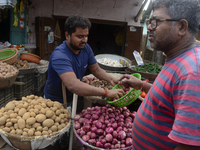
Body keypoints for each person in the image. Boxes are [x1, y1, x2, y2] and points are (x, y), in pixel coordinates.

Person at [120, 0, 200, 149]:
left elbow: (189, 146)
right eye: (149, 22)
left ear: (181, 27)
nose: (149, 27)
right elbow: (168, 97)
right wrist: (141, 85)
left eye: (155, 22)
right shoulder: (176, 59)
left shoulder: (192, 72)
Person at [44, 14, 124, 106]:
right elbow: (73, 85)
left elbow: (96, 69)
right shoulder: (60, 55)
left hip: (73, 96)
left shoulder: (85, 48)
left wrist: (112, 79)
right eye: (80, 36)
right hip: (55, 101)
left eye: (86, 36)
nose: (84, 40)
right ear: (67, 35)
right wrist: (105, 92)